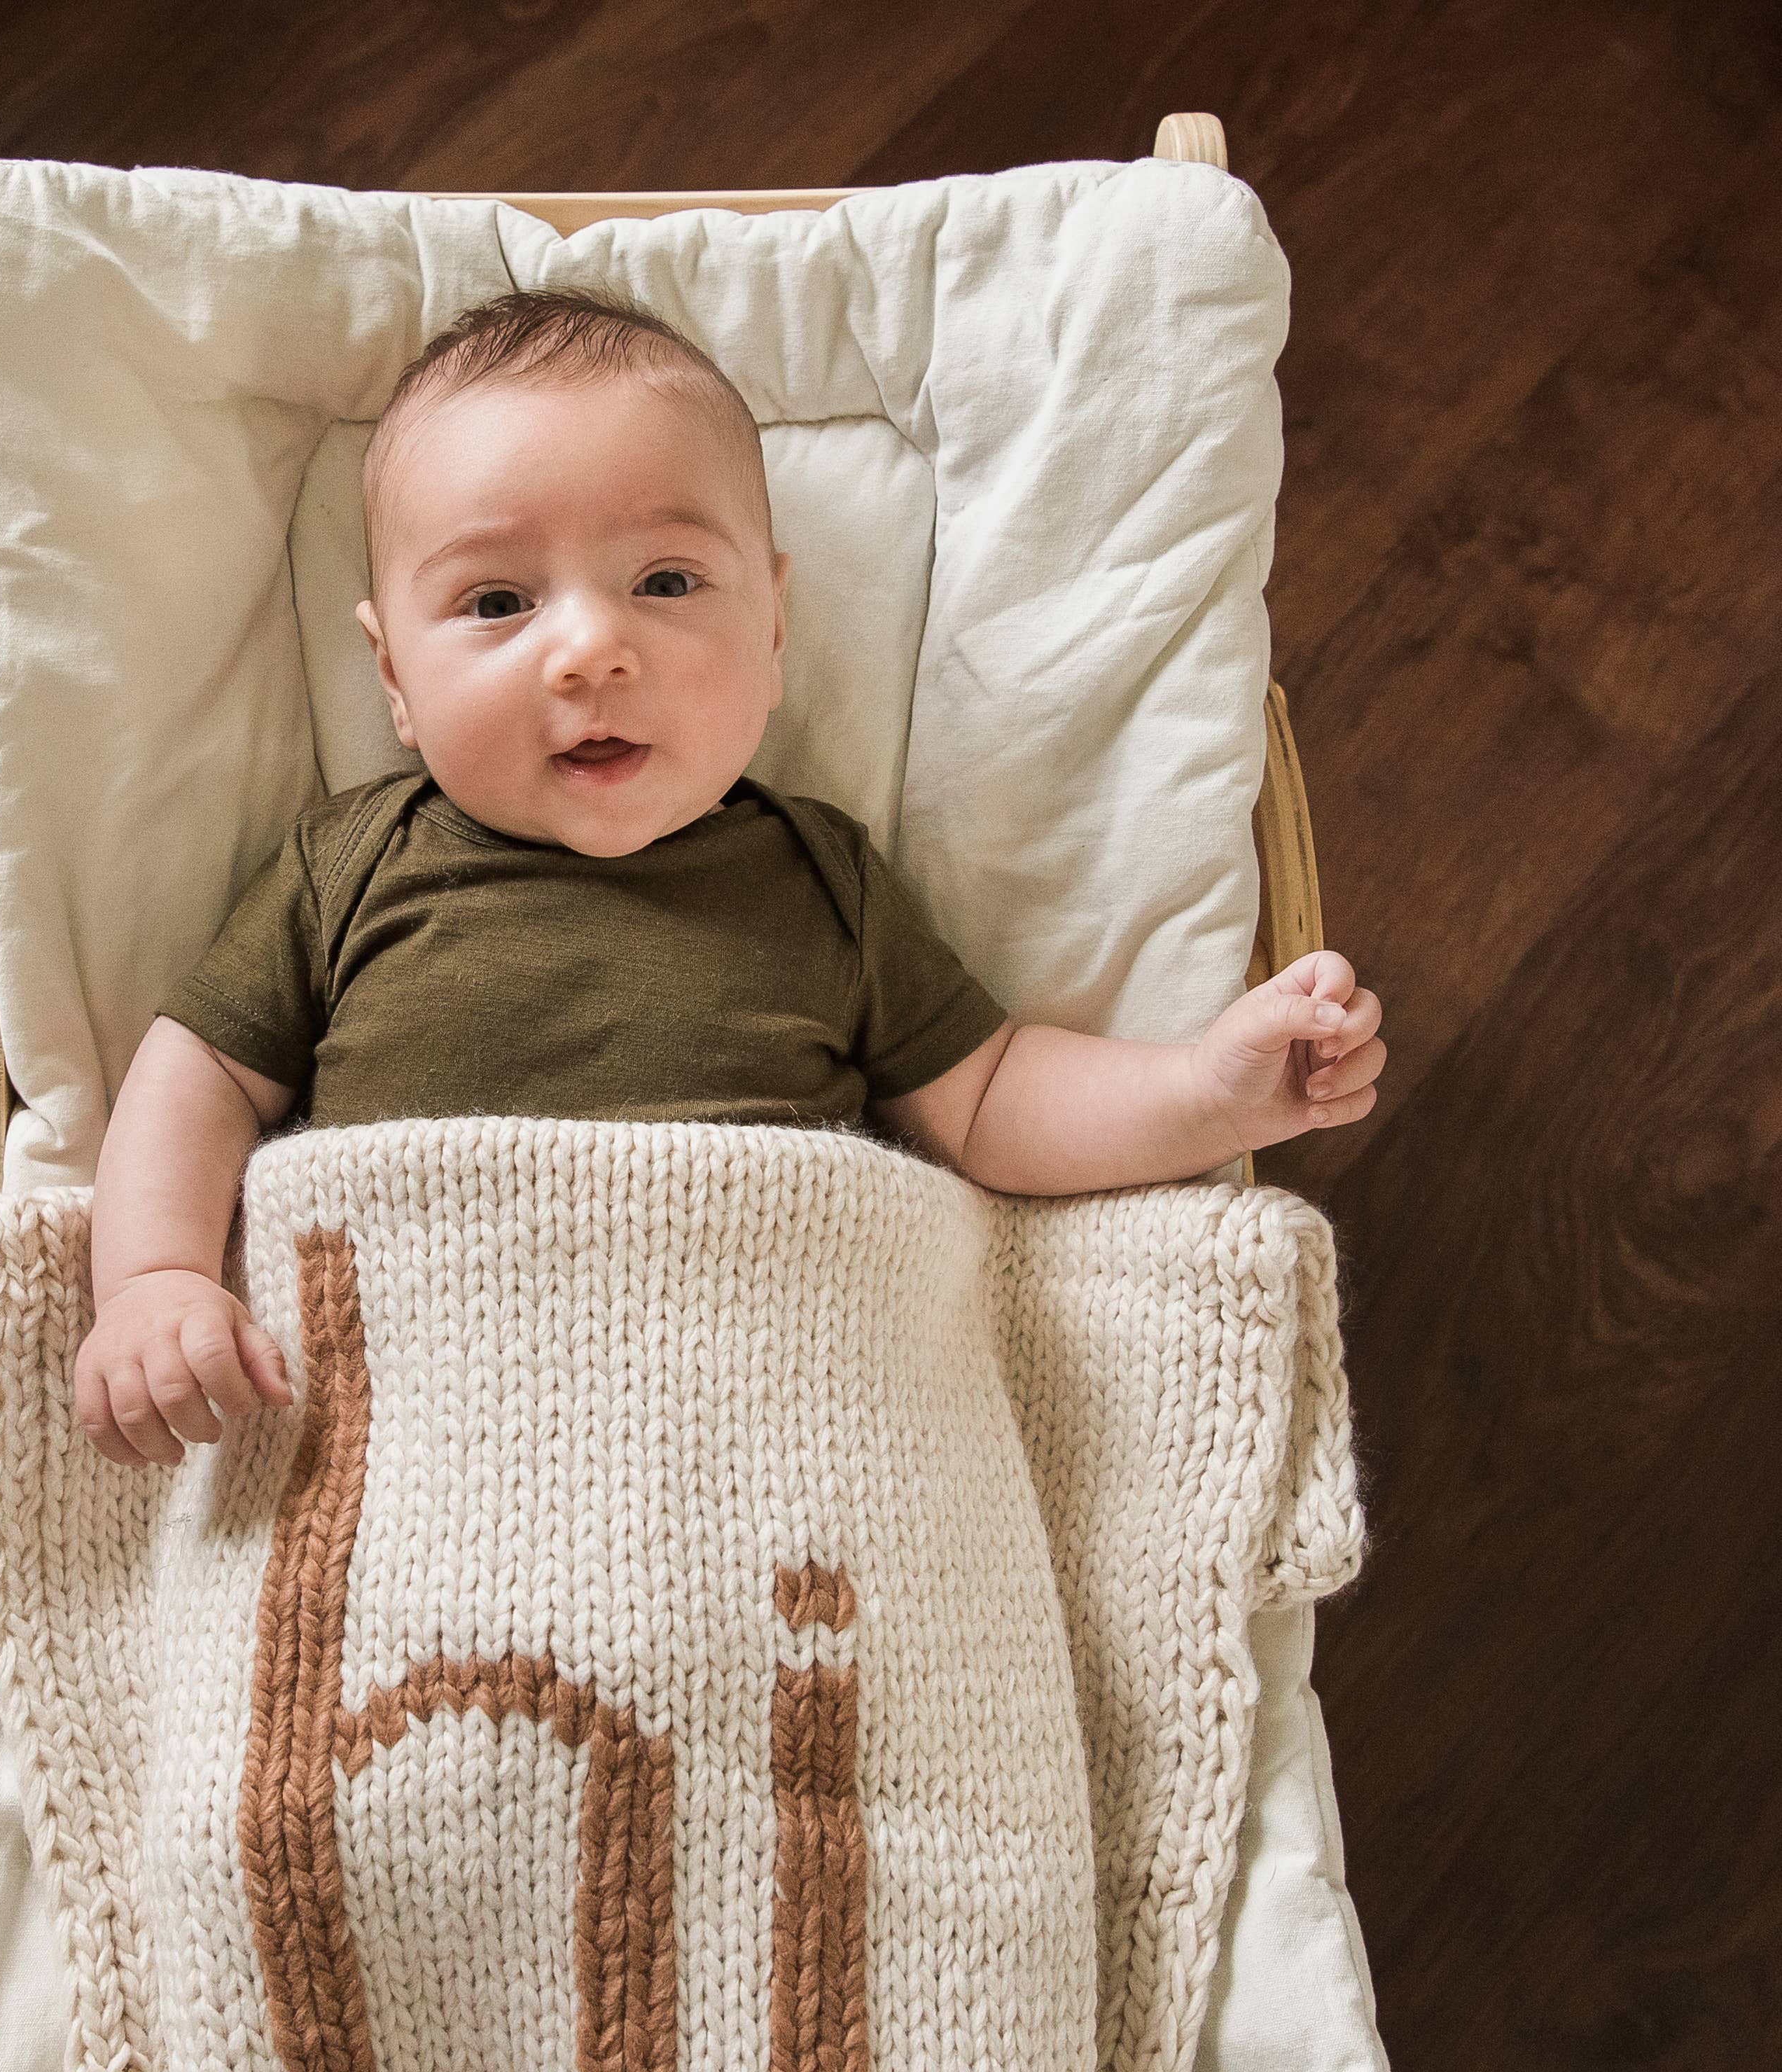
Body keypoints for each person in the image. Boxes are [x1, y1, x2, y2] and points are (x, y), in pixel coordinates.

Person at [74, 289, 1385, 1470]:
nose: (589, 650)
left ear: (769, 622)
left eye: (663, 581)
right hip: (426, 1432)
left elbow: (989, 1104)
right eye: (493, 604)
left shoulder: (818, 881)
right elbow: (194, 1077)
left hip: (761, 1433)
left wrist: (1205, 1092)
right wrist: (150, 1278)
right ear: (390, 678)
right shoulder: (350, 868)